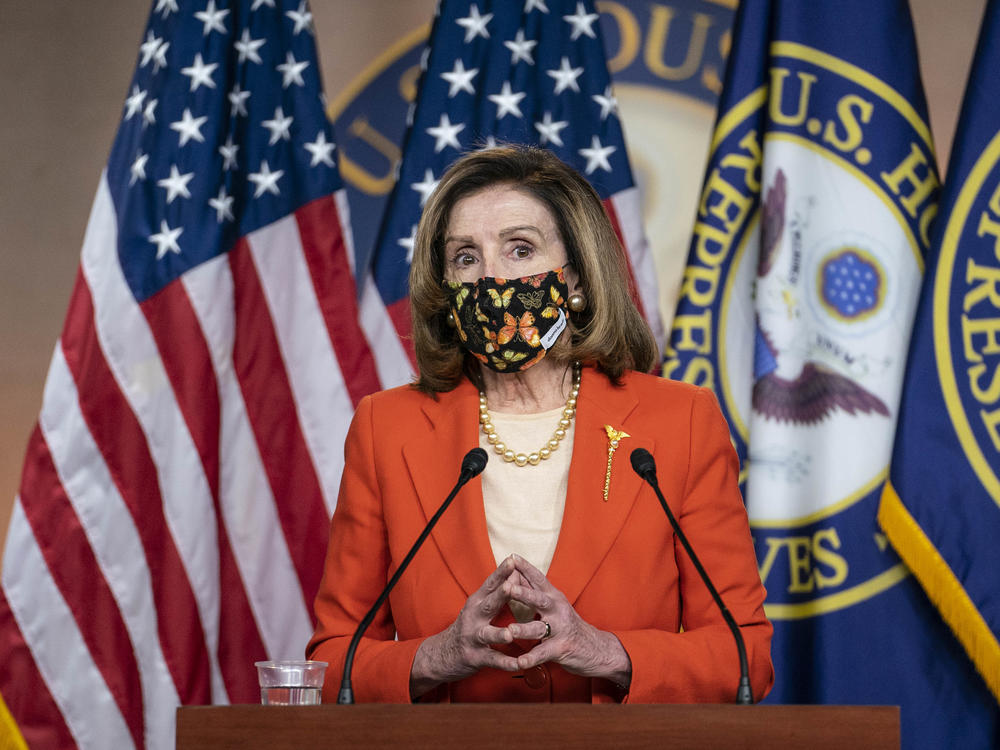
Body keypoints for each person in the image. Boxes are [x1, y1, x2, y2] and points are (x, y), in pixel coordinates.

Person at [307, 145, 773, 703]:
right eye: (465, 258)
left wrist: (605, 651)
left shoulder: (679, 423)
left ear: (575, 278)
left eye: (520, 249)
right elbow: (332, 660)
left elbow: (744, 658)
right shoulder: (388, 428)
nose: (491, 278)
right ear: (447, 291)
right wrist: (436, 656)